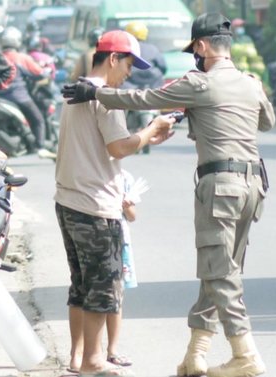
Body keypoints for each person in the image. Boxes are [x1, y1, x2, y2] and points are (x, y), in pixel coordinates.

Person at [61, 12, 275, 377]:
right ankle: (196, 354)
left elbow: (145, 97)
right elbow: (265, 121)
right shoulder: (251, 83)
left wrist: (96, 92)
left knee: (220, 272)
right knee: (219, 269)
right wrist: (206, 113)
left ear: (203, 47)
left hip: (220, 188)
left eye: (195, 49)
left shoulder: (199, 83)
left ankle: (246, 352)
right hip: (254, 187)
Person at [55, 29, 175, 376]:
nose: (129, 73)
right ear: (112, 59)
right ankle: (94, 361)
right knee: (101, 288)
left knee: (79, 285)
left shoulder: (75, 90)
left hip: (68, 200)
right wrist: (152, 129)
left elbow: (104, 145)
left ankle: (77, 359)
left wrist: (150, 134)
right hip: (95, 206)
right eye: (127, 65)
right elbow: (118, 147)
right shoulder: (108, 97)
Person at [0, 26, 55, 155]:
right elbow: (38, 73)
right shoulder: (21, 57)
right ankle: (40, 146)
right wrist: (46, 71)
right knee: (38, 119)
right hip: (19, 97)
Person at [104, 169, 140, 368]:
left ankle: (112, 350)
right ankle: (89, 353)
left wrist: (126, 206)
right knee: (97, 297)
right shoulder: (91, 171)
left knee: (116, 298)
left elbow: (133, 216)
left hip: (120, 242)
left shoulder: (126, 177)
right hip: (98, 239)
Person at [122, 21, 167, 90]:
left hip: (127, 91)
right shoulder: (153, 49)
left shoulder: (122, 48)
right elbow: (163, 68)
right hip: (152, 90)